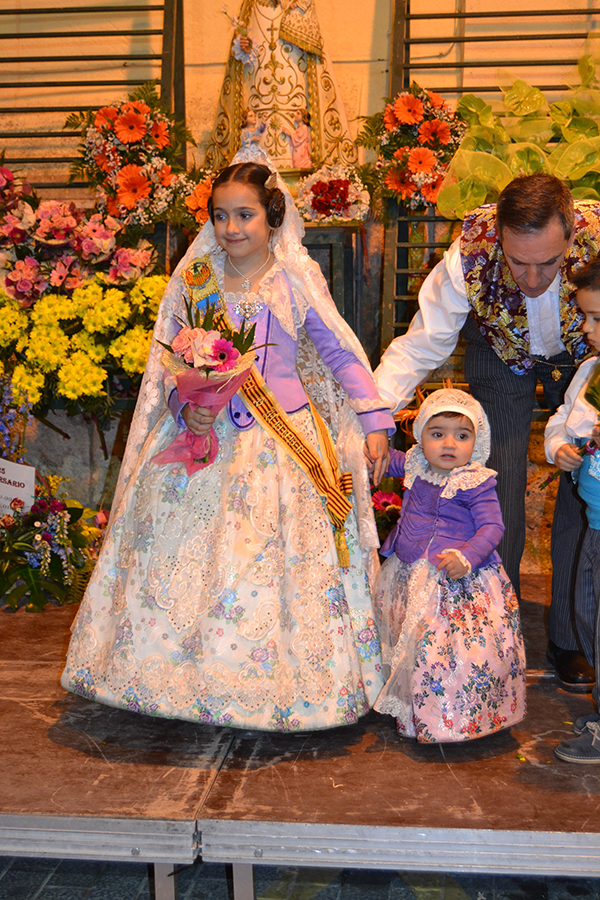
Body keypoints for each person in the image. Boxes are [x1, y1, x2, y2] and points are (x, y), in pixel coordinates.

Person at [61, 145, 394, 733]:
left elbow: (340, 354)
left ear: (272, 216)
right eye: (220, 215)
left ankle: (275, 683)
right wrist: (185, 407)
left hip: (281, 444)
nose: (231, 227)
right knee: (185, 558)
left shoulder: (294, 280)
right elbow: (169, 365)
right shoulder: (196, 280)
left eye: (245, 214)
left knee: (263, 562)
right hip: (203, 439)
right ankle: (171, 678)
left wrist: (374, 421)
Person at [375, 174, 600, 692]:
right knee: (492, 488)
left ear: (571, 233)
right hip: (499, 353)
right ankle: (498, 633)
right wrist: (375, 416)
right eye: (518, 262)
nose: (533, 278)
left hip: (585, 354)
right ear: (499, 236)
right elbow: (422, 345)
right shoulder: (467, 257)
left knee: (583, 492)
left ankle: (571, 639)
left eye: (549, 262)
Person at [372, 389, 526, 743]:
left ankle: (448, 717)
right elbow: (378, 455)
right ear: (420, 435)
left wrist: (467, 556)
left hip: (453, 581)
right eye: (437, 433)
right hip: (408, 570)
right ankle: (408, 708)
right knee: (405, 639)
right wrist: (366, 438)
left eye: (462, 436)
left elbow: (492, 527)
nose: (449, 444)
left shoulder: (475, 482)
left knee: (441, 649)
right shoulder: (414, 465)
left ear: (477, 441)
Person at [544, 258, 600, 762]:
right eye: (585, 316)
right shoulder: (591, 370)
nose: (586, 328)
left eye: (597, 318)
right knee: (588, 612)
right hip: (594, 522)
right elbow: (565, 417)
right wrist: (559, 444)